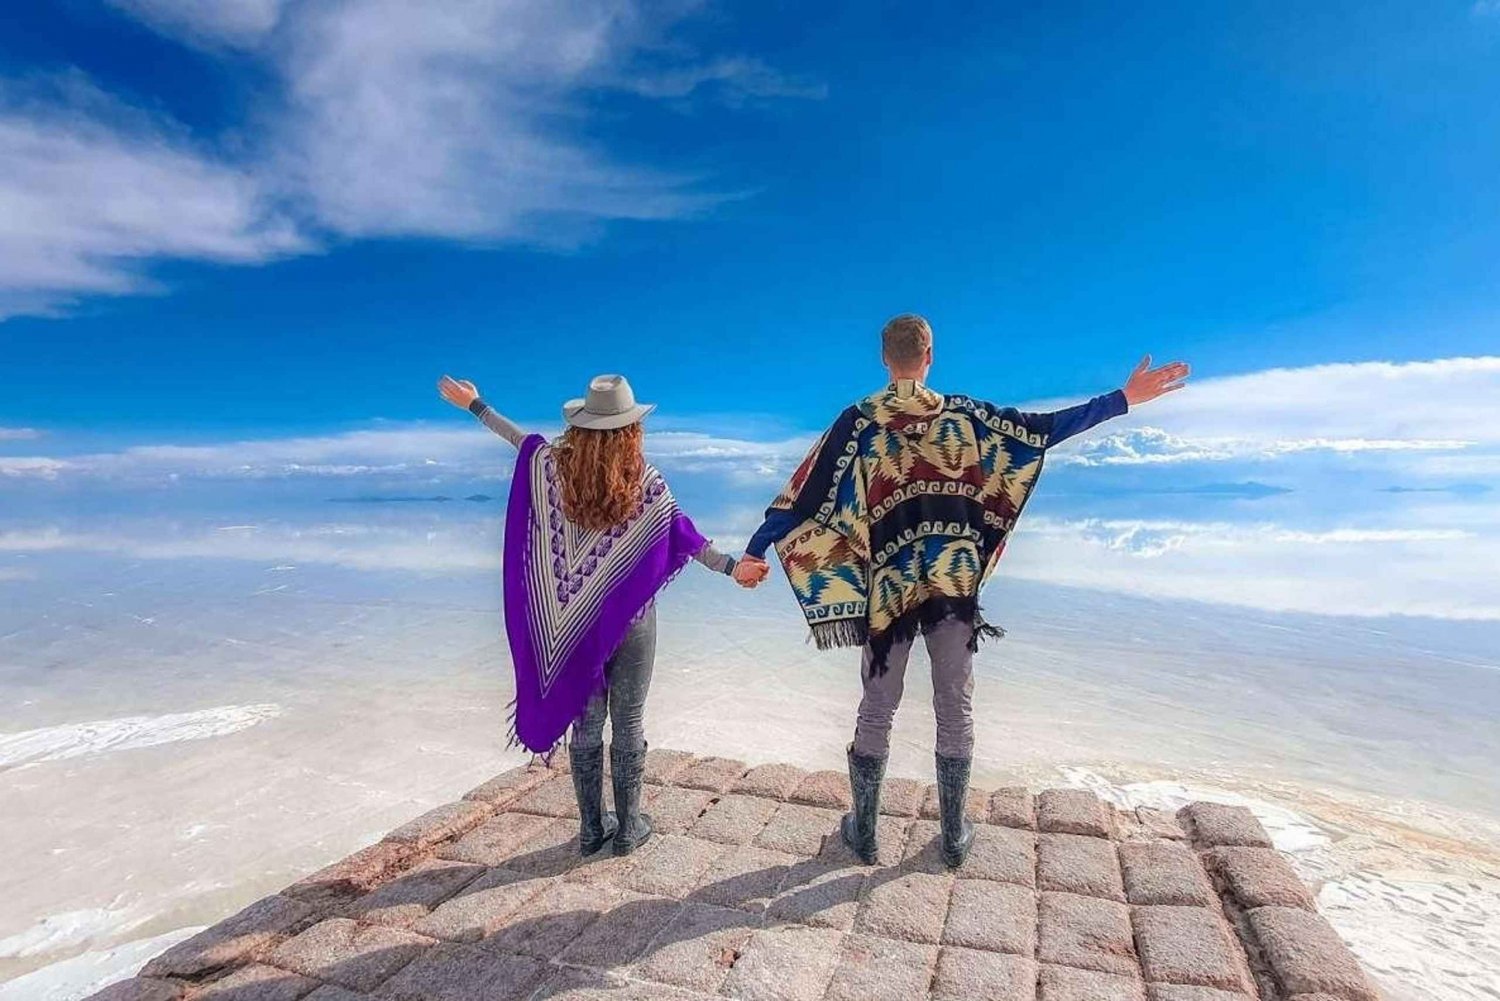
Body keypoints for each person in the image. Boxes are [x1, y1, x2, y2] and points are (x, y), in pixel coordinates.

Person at [736, 314, 1188, 868]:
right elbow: (1044, 430)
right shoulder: (968, 418)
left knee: (878, 705)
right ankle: (952, 838)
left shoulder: (857, 423)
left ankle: (866, 834)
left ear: (884, 359)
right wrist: (1122, 398)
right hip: (953, 586)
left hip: (892, 593)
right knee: (955, 706)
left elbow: (804, 500)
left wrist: (757, 550)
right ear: (930, 357)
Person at [439, 373, 767, 857]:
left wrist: (475, 405)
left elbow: (517, 439)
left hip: (572, 629)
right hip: (631, 622)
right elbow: (685, 537)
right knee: (629, 722)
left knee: (586, 725)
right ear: (631, 428)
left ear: (582, 424)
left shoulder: (550, 467)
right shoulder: (643, 482)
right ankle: (630, 827)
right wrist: (733, 568)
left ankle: (592, 829)